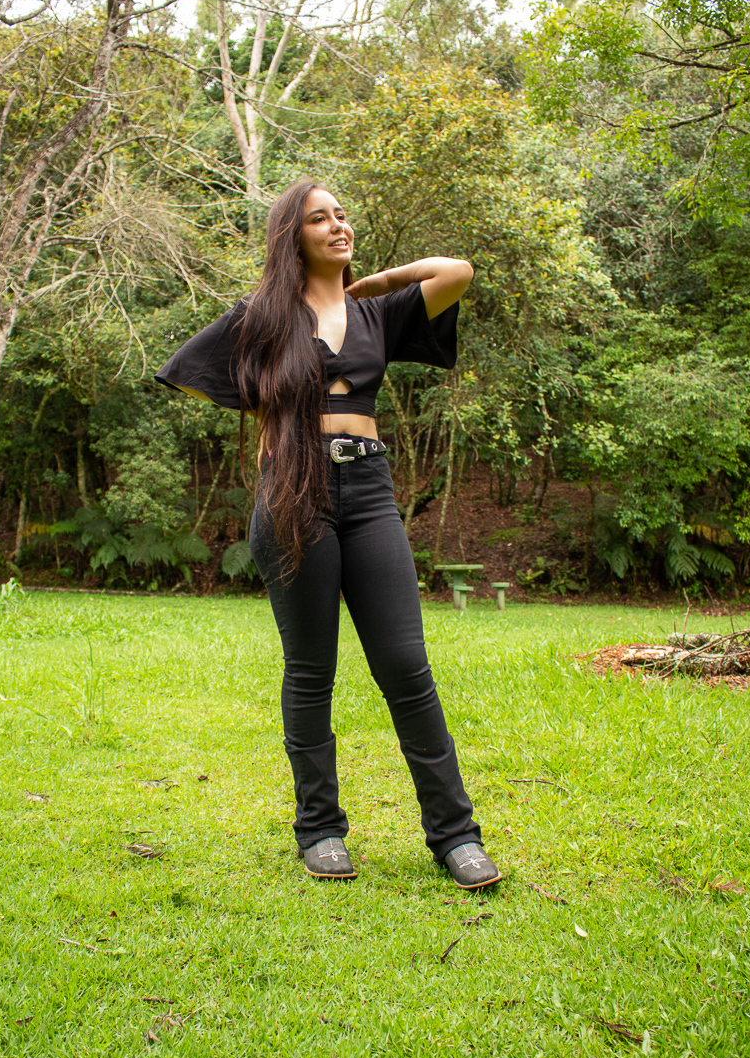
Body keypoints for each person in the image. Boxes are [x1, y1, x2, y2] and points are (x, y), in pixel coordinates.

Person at [156, 179, 500, 891]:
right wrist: (268, 411)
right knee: (311, 670)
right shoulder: (261, 316)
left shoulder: (376, 311)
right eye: (320, 218)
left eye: (343, 215)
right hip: (294, 488)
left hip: (369, 490)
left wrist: (376, 281)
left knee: (406, 665)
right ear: (293, 235)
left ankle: (455, 835)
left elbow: (457, 271)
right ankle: (319, 829)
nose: (338, 226)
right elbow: (189, 373)